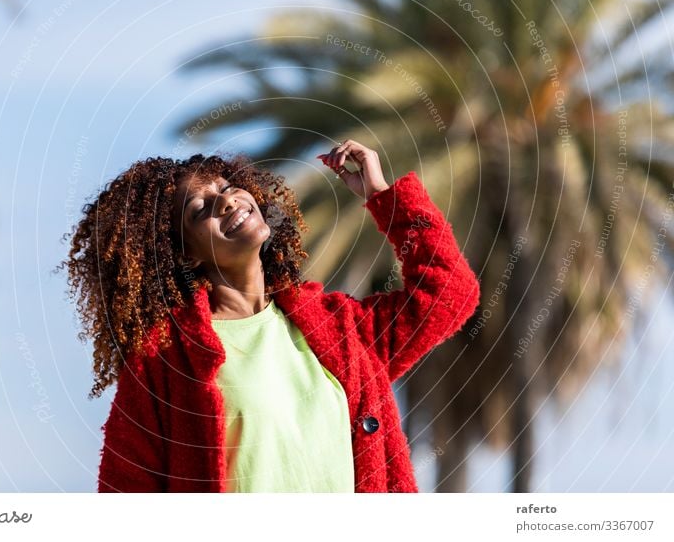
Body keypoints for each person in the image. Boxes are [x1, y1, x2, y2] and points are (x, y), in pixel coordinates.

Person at [63, 139, 480, 492]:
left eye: (226, 187)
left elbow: (450, 294)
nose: (226, 200)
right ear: (185, 256)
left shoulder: (337, 327)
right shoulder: (164, 364)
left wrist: (382, 197)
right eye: (199, 209)